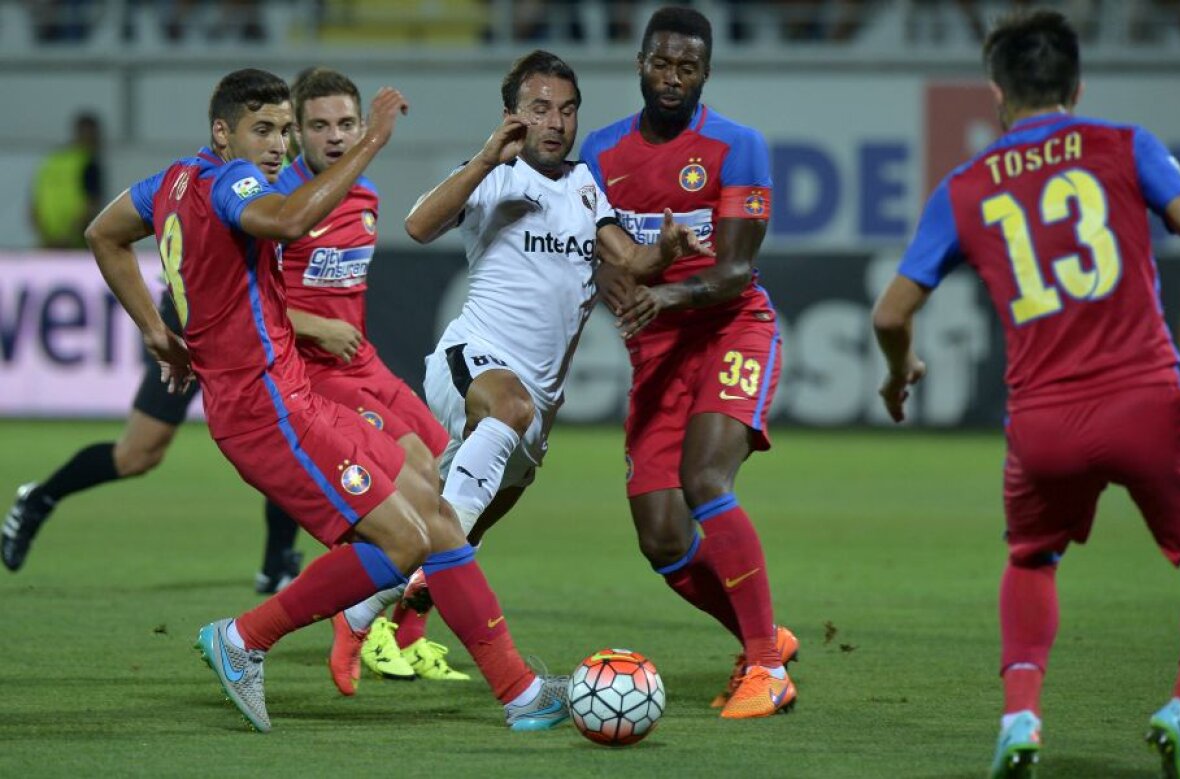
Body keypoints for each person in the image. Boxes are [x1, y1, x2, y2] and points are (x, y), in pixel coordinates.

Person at [86, 67, 569, 734]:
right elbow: (284, 221)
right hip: (264, 407)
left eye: (285, 129)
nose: (278, 144)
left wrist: (155, 330)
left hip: (287, 392)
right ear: (221, 133)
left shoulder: (169, 182)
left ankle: (521, 693)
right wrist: (372, 139)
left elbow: (103, 234)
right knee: (400, 541)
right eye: (264, 129)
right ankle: (245, 638)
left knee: (433, 513)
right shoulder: (234, 183)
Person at [870, 11, 1180, 778]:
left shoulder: (966, 186)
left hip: (1043, 420)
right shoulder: (1126, 144)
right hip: (1147, 400)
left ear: (997, 94)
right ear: (1077, 86)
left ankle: (1019, 717)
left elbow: (890, 312)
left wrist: (899, 371)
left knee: (1032, 556)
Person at [328, 49, 710, 687]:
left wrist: (665, 250)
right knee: (504, 418)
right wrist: (485, 157)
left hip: (539, 402)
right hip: (474, 362)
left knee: (454, 529)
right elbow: (418, 225)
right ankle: (408, 629)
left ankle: (361, 608)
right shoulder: (494, 174)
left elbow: (631, 262)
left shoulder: (586, 185)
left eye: (566, 109)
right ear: (513, 116)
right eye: (539, 109)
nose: (555, 122)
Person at [579, 5, 797, 720]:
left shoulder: (740, 145)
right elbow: (599, 255)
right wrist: (621, 288)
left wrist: (661, 297)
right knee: (662, 537)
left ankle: (766, 667)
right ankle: (763, 635)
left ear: (706, 73)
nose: (672, 79)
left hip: (732, 329)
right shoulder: (600, 155)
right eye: (661, 64)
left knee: (705, 479)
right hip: (658, 352)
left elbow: (735, 270)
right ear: (639, 63)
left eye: (688, 67)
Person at [275, 66, 469, 687]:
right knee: (411, 471)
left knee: (449, 478)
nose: (335, 136)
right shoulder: (279, 203)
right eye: (320, 125)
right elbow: (249, 301)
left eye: (346, 124)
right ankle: (362, 621)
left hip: (365, 363)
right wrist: (316, 328)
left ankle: (405, 634)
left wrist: (341, 332)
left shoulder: (364, 194)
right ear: (298, 131)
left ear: (362, 125)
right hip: (313, 374)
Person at [2, 290, 301, 593]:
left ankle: (276, 564)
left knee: (283, 434)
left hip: (252, 325)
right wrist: (154, 327)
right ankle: (40, 499)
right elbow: (107, 240)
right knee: (137, 454)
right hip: (192, 315)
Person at [30, 112, 104, 249]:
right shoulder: (88, 163)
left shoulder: (51, 161)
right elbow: (92, 205)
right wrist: (68, 238)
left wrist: (47, 238)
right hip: (73, 244)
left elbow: (34, 205)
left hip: (47, 242)